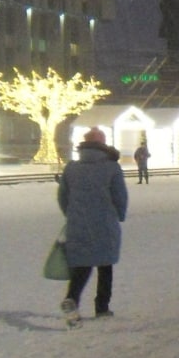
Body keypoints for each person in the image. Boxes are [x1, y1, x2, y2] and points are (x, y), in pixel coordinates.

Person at [57, 127, 128, 328]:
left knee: (82, 266)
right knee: (105, 266)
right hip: (105, 224)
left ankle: (72, 299)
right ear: (103, 145)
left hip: (77, 224)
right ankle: (102, 307)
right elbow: (120, 196)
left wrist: (71, 215)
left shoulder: (71, 168)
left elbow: (62, 196)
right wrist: (120, 215)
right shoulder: (111, 167)